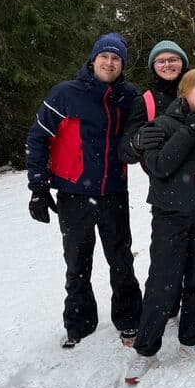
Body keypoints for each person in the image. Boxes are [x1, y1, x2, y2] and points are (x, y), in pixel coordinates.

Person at [124, 69, 195, 384]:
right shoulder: (161, 125)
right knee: (163, 282)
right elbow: (160, 167)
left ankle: (191, 338)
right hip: (170, 215)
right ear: (185, 91)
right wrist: (188, 131)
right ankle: (145, 350)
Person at [26, 33, 142, 348]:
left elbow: (143, 130)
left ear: (122, 65)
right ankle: (78, 323)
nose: (109, 62)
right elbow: (38, 138)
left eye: (116, 58)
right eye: (104, 57)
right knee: (77, 261)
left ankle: (130, 319)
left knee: (121, 261)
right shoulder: (65, 94)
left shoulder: (128, 96)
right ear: (93, 61)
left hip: (114, 193)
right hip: (73, 195)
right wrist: (38, 186)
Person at [119, 40, 195, 310]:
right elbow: (125, 149)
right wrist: (138, 141)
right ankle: (167, 302)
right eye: (162, 61)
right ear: (153, 66)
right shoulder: (144, 101)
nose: (168, 64)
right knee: (169, 246)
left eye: (174, 59)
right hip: (167, 181)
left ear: (183, 62)